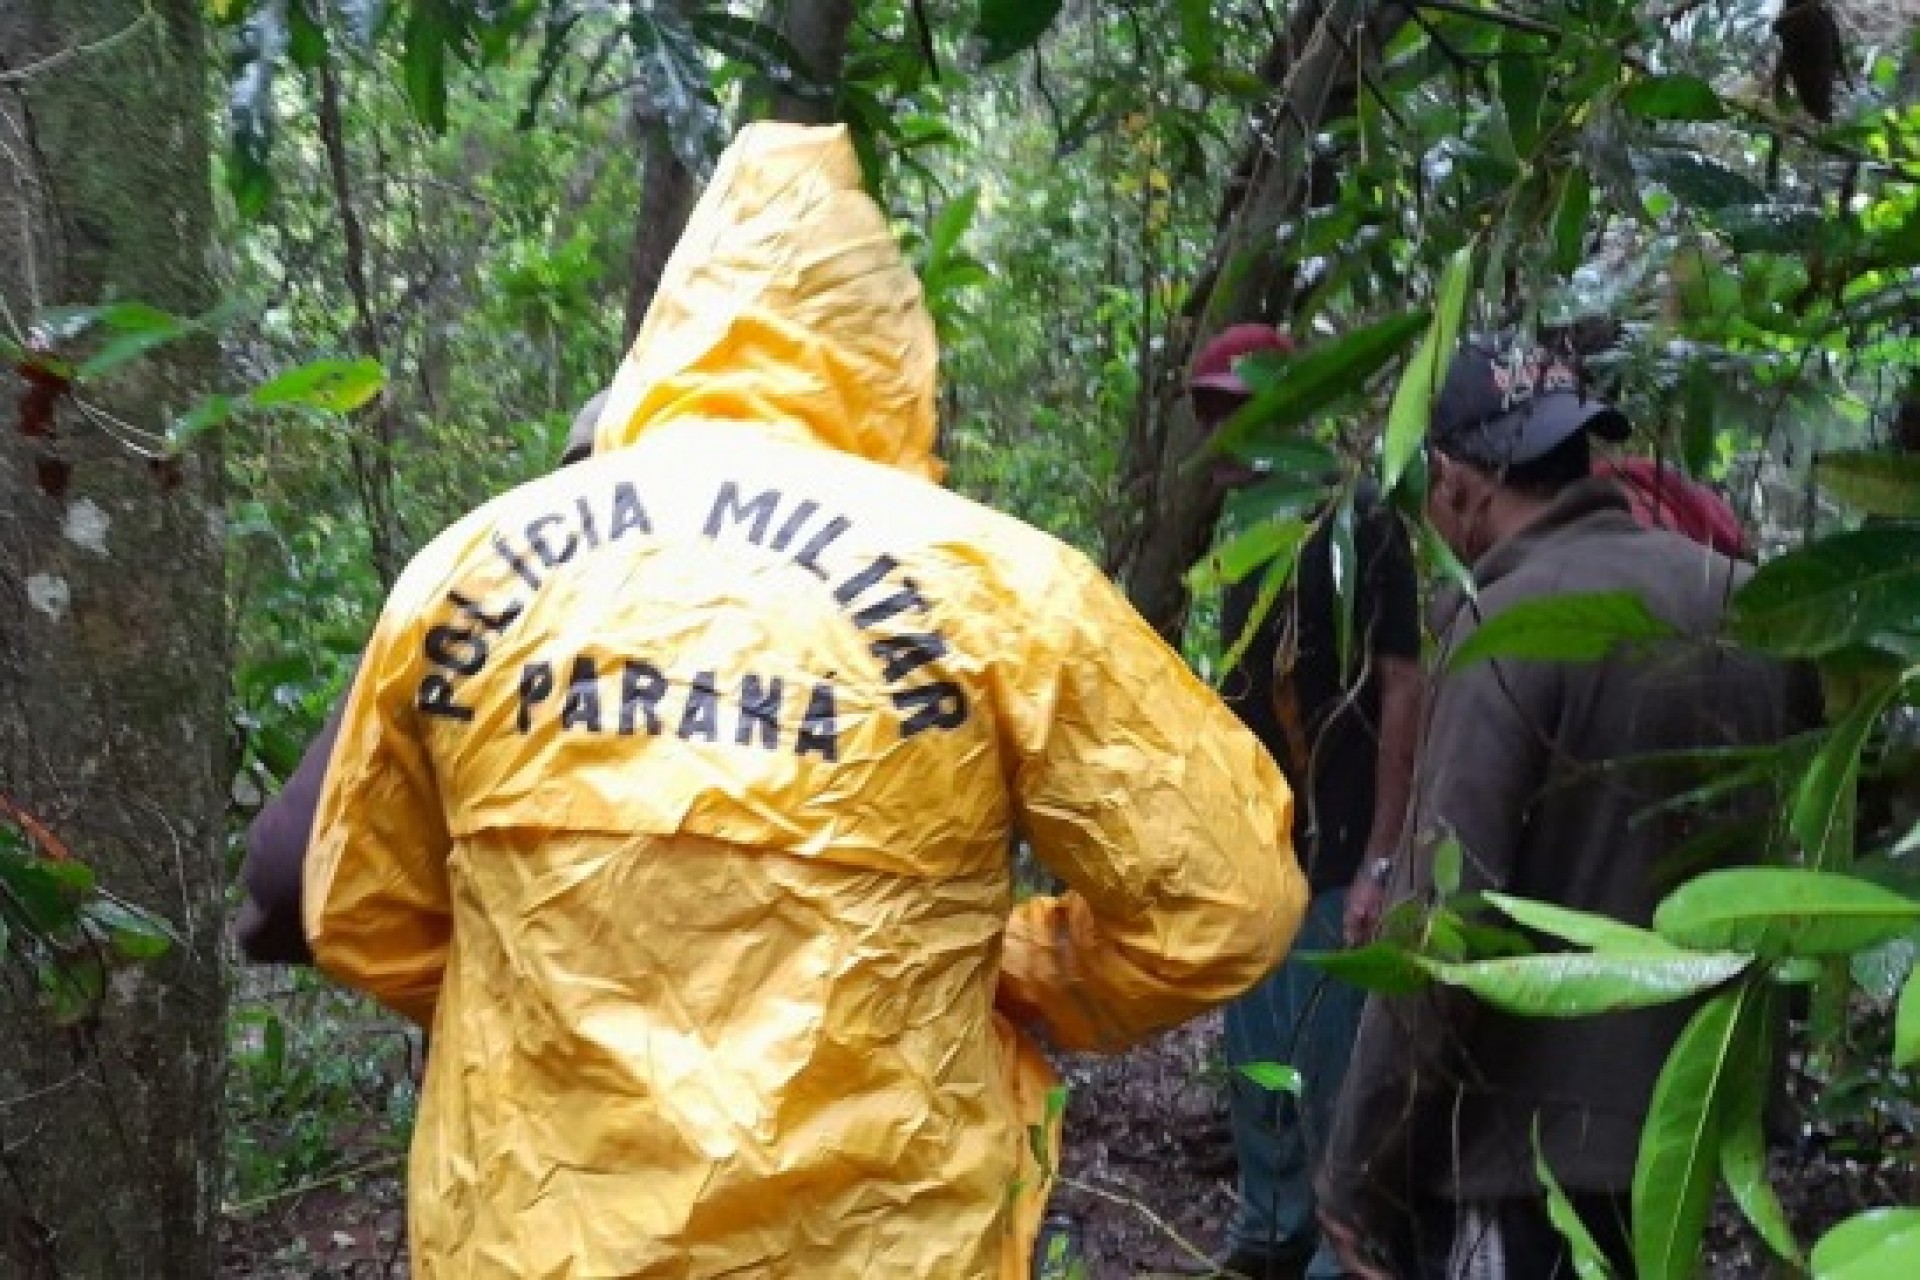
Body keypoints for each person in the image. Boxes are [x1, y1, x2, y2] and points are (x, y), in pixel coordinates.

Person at [302, 122, 1307, 1279]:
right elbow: (1225, 900)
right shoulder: (1000, 589)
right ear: (889, 346)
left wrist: (550, 1003)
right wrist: (1013, 967)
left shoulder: (464, 571)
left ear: (671, 328)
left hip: (535, 1240)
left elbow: (357, 914)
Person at [1317, 341, 1811, 1279]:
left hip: (1527, 1159)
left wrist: (1357, 1167)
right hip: (1700, 1122)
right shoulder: (1748, 605)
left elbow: (1446, 927)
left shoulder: (1504, 626)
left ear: (1457, 485)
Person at [1189, 325, 1423, 1280]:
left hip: (1336, 846)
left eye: (1235, 409)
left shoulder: (1363, 517)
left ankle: (1336, 1248)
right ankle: (1268, 1229)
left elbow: (1405, 683)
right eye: (1209, 411)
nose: (1220, 431)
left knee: (1332, 1067)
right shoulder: (1245, 528)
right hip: (1261, 847)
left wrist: (1382, 851)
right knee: (1260, 1060)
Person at [234, 391, 609, 965]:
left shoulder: (469, 580)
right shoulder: (790, 594)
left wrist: (468, 983)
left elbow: (293, 876)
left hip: (514, 1049)